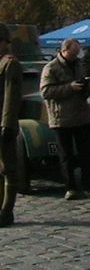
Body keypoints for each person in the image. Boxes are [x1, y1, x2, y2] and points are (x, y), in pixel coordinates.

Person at [40, 38, 90, 201]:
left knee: (87, 154)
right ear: (65, 50)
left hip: (81, 116)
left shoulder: (79, 65)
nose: (76, 57)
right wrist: (69, 87)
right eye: (73, 54)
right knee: (66, 156)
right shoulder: (51, 68)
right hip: (61, 118)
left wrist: (88, 87)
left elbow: (84, 83)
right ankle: (71, 187)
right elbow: (46, 92)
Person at [0, 23, 22, 227]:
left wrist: (7, 125)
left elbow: (11, 97)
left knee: (8, 169)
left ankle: (6, 211)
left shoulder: (10, 64)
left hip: (3, 124)